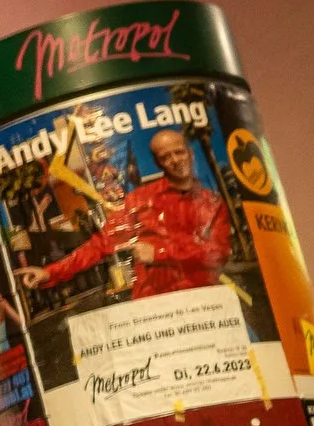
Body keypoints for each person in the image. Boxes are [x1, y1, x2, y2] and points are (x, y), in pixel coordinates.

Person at [17, 129, 231, 301]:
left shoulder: (212, 203)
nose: (175, 160)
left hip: (205, 302)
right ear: (158, 163)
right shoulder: (139, 200)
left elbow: (218, 252)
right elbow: (100, 245)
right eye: (165, 157)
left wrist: (160, 252)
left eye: (179, 152)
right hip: (154, 306)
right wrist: (49, 273)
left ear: (190, 153)